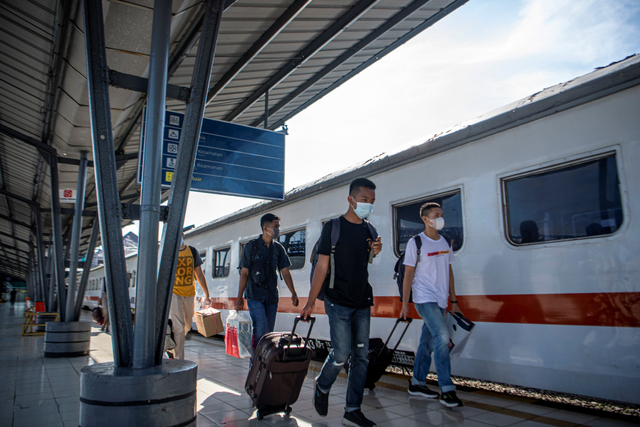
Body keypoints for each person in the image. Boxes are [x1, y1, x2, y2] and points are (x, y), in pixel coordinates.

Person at [301, 178, 382, 427]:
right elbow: (322, 266)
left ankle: (352, 410)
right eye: (365, 200)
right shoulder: (333, 228)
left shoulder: (370, 230)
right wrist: (310, 301)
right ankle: (322, 385)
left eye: (372, 201)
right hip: (337, 301)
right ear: (351, 199)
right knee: (340, 353)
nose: (368, 205)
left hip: (362, 301)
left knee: (361, 357)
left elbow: (363, 262)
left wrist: (374, 252)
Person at [400, 202, 464, 408]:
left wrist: (453, 300)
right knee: (442, 336)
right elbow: (408, 274)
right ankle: (447, 388)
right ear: (426, 219)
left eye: (442, 214)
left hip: (440, 299)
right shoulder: (416, 242)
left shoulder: (445, 241)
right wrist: (404, 304)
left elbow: (450, 272)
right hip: (423, 298)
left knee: (427, 342)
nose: (441, 218)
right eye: (437, 215)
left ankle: (417, 382)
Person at [236, 213, 299, 352]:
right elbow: (244, 273)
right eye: (275, 226)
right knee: (260, 327)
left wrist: (293, 293)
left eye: (278, 226)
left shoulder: (278, 249)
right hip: (254, 295)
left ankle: (265, 362)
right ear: (265, 228)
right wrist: (239, 297)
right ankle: (255, 363)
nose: (277, 229)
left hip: (271, 296)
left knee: (269, 332)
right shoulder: (250, 247)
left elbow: (285, 272)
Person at [169, 227, 211, 359]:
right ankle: (178, 359)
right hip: (174, 293)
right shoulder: (169, 253)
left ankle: (172, 344)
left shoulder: (192, 251)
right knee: (179, 327)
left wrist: (207, 294)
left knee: (187, 326)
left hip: (189, 293)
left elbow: (199, 273)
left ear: (182, 235)